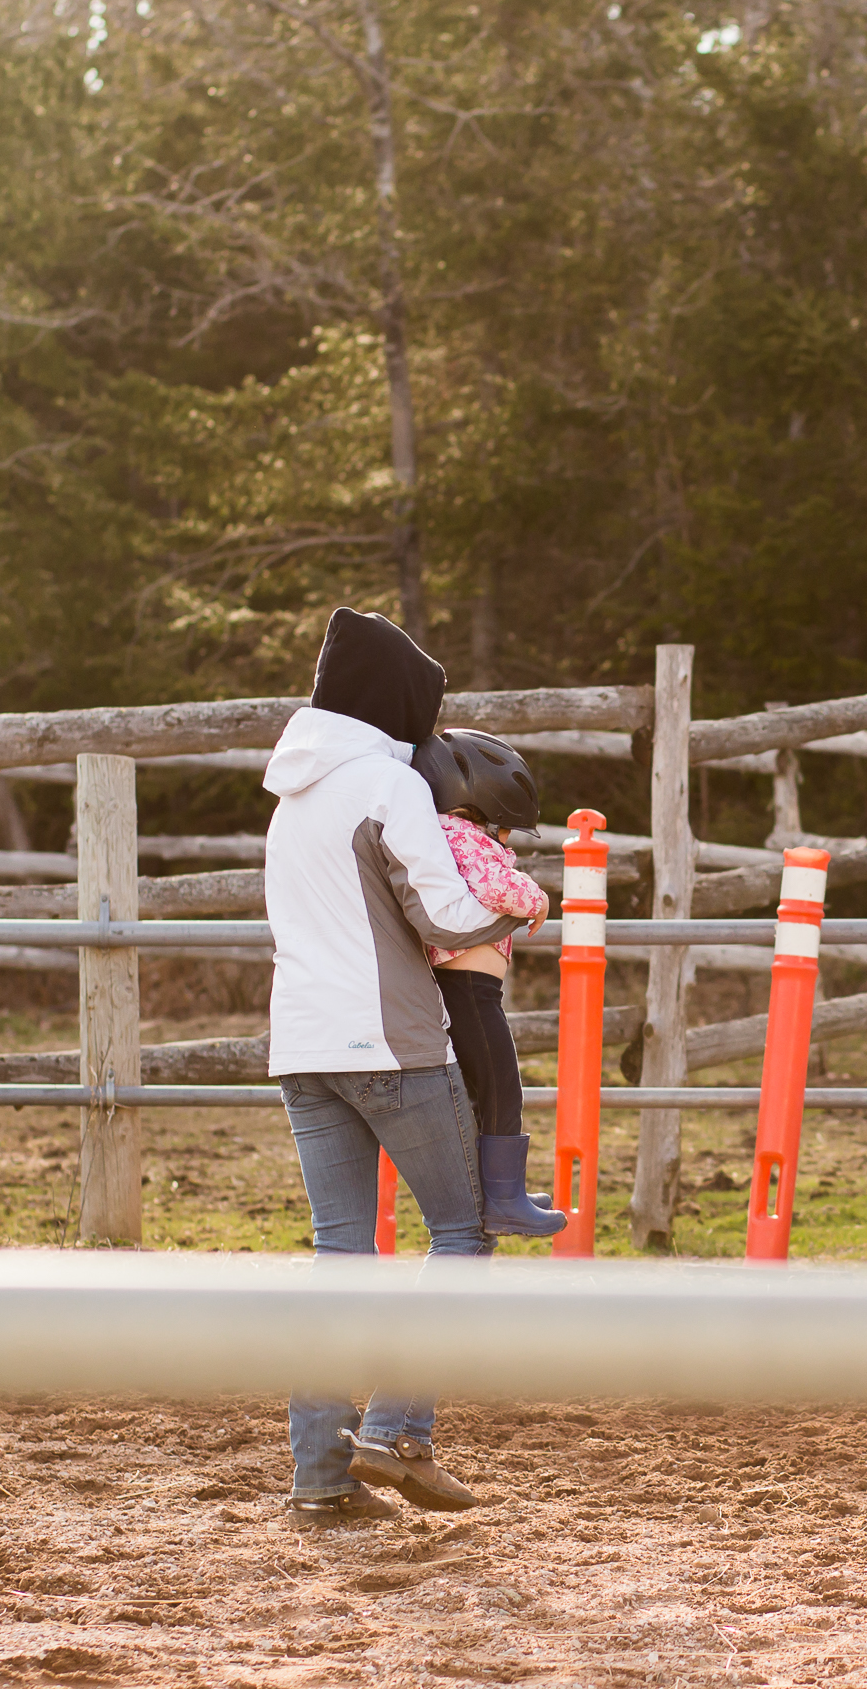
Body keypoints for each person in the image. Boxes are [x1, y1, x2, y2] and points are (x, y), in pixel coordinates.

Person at [265, 607, 537, 1529]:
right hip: (390, 1045)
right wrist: (520, 908)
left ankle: (320, 1477)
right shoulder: (387, 785)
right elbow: (448, 917)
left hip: (303, 1050)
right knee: (464, 1231)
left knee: (339, 1255)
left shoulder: (291, 794)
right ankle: (397, 1431)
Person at [412, 728, 565, 1236]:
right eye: (506, 831)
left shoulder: (444, 835)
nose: (507, 842)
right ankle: (503, 1198)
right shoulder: (461, 838)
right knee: (500, 1086)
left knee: (484, 1089)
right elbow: (500, 887)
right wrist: (538, 899)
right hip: (472, 994)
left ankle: (501, 1189)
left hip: (468, 991)